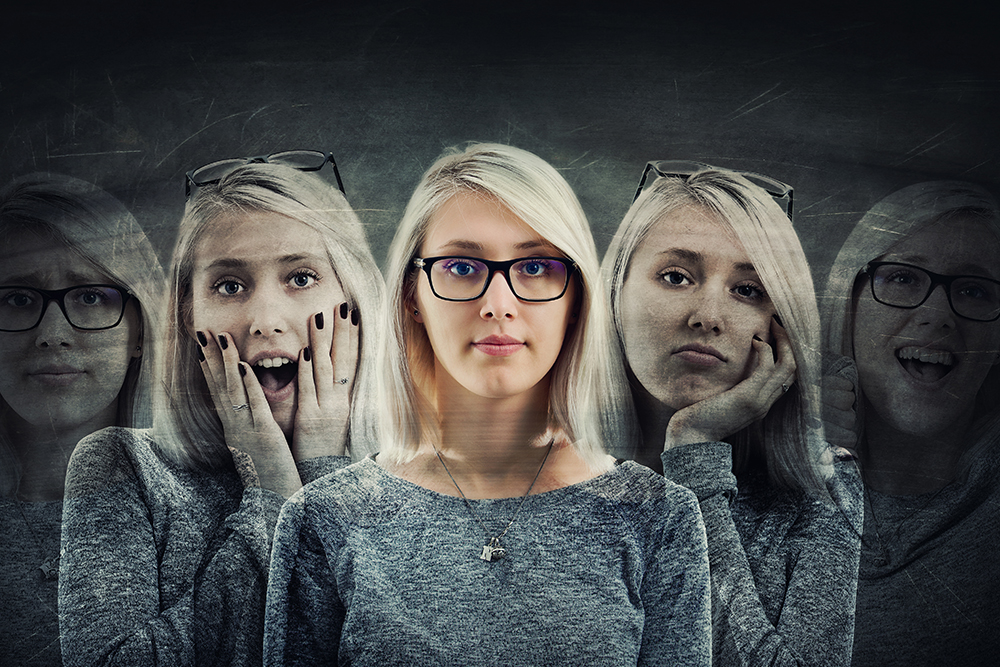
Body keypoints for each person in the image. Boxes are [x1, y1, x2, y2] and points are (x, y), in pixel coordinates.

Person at [264, 143, 712, 667]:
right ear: (412, 295)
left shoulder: (660, 519)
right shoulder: (325, 518)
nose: (499, 304)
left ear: (576, 299)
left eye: (536, 267)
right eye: (460, 267)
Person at [58, 156, 383, 666]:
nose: (265, 321)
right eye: (229, 285)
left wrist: (322, 475)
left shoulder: (418, 476)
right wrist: (270, 492)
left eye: (300, 277)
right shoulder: (120, 466)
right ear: (188, 316)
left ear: (354, 301)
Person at [604, 162, 862, 666]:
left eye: (747, 290)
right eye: (676, 276)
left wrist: (695, 456)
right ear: (616, 293)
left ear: (780, 326)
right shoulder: (537, 476)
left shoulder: (823, 485)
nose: (708, 316)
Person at [821, 181, 1000, 666]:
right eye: (902, 279)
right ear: (850, 300)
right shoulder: (748, 468)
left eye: (975, 289)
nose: (938, 315)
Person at [0, 173, 163, 667]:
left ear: (140, 328)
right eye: (17, 299)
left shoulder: (205, 506)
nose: (52, 334)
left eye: (90, 297)